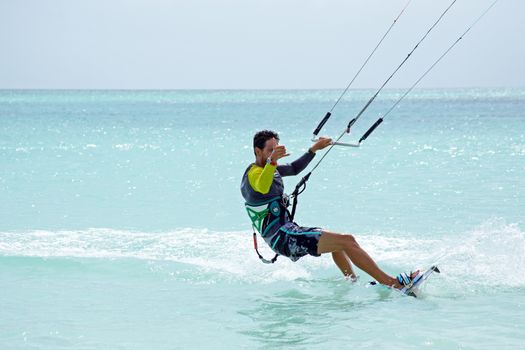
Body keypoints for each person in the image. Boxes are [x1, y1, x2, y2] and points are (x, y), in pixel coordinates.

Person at [240, 130, 418, 289]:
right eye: (270, 150)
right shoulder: (254, 173)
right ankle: (392, 283)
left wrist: (314, 149)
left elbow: (294, 169)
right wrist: (272, 162)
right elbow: (262, 187)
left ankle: (352, 283)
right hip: (283, 238)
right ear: (258, 151)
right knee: (347, 241)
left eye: (276, 149)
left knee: (337, 244)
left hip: (288, 232)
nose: (274, 154)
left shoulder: (271, 168)